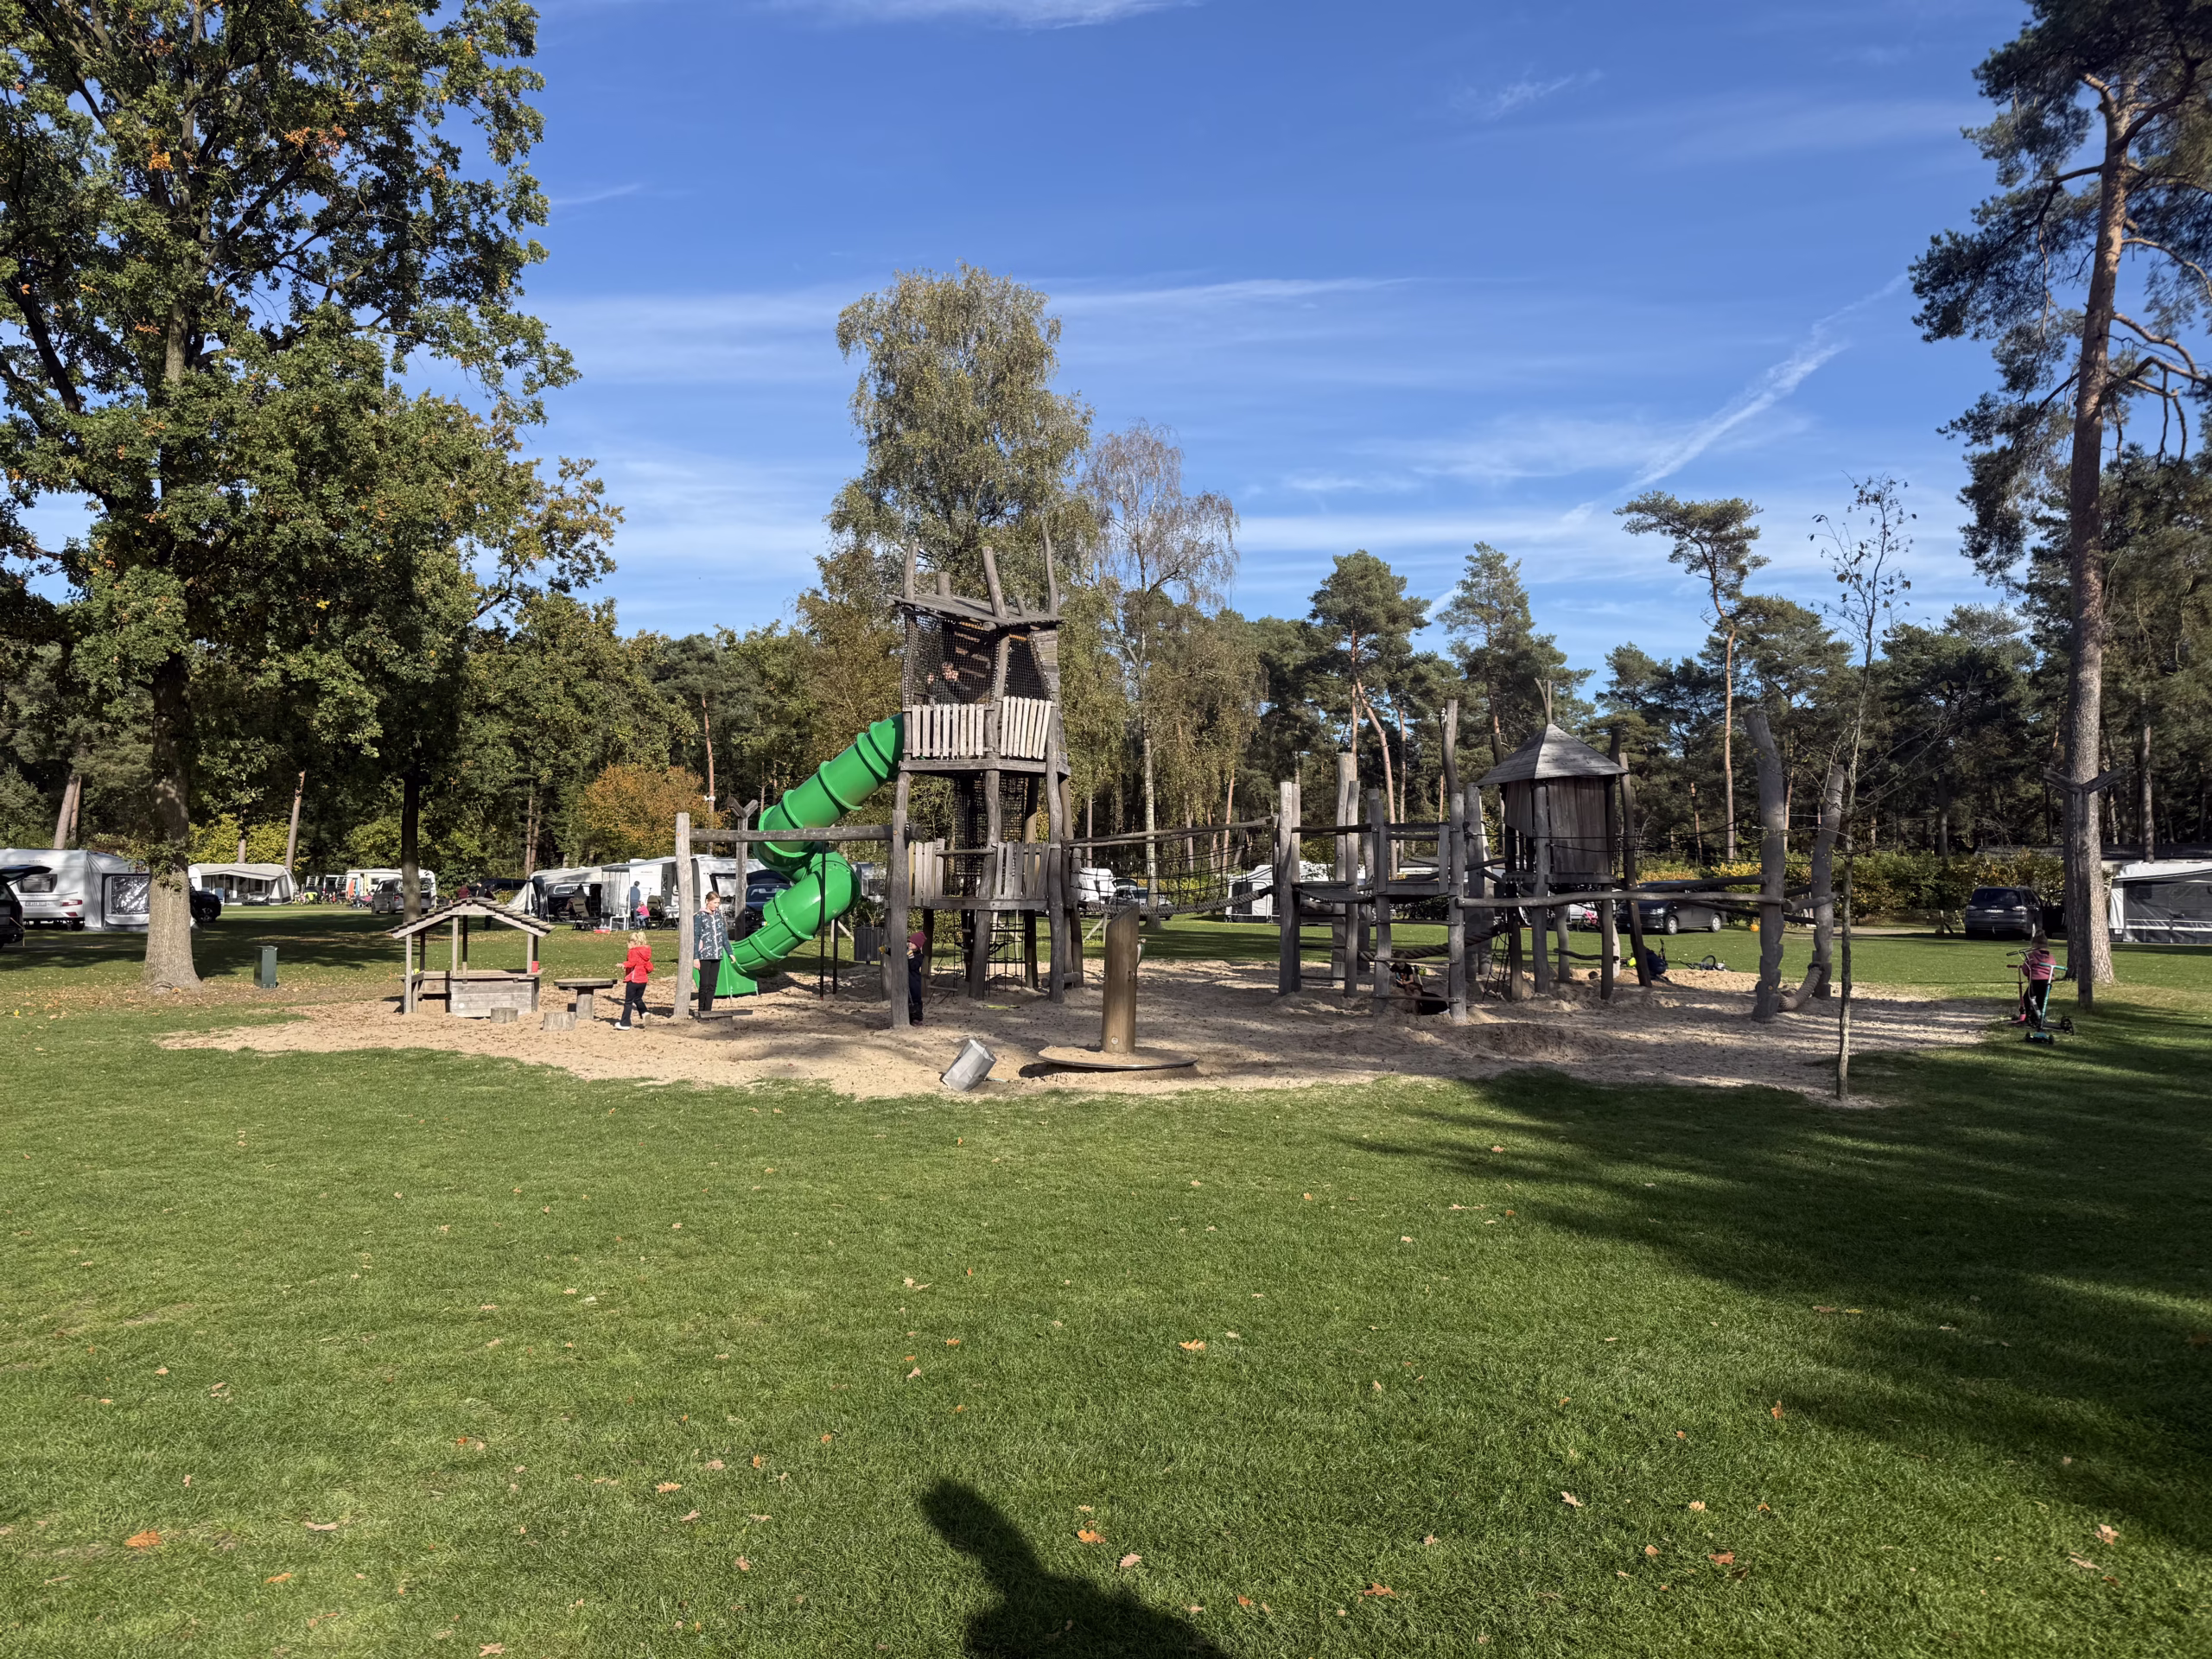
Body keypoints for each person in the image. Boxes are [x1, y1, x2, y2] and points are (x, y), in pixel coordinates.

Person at [694, 889, 729, 1014]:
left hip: (717, 954)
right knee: (704, 984)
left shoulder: (719, 916)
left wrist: (730, 953)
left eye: (718, 903)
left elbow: (724, 935)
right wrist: (695, 957)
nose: (717, 905)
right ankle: (701, 1010)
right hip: (704, 955)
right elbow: (696, 937)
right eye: (715, 902)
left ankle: (708, 1011)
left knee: (712, 985)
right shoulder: (699, 916)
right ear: (707, 902)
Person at [2018, 930, 2057, 1026]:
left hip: (2036, 980)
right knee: (2042, 999)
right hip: (2048, 981)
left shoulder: (2031, 955)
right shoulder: (2050, 957)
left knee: (2027, 998)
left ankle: (2029, 1016)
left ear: (2034, 944)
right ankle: (2040, 1017)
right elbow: (2054, 966)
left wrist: (2028, 975)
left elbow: (2026, 969)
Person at [617, 931, 652, 1029]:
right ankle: (644, 1012)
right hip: (643, 980)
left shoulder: (633, 951)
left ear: (633, 943)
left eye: (628, 943)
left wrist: (624, 964)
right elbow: (649, 967)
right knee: (637, 998)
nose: (627, 945)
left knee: (628, 1002)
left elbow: (632, 962)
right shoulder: (646, 953)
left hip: (634, 979)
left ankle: (625, 1023)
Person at [906, 929, 928, 1026]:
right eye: (909, 941)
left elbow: (914, 966)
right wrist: (887, 950)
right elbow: (896, 953)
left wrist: (910, 955)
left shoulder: (919, 956)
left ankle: (918, 1018)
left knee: (916, 999)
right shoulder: (906, 951)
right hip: (906, 980)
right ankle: (910, 1018)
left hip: (914, 981)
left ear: (918, 946)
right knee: (907, 1000)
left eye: (913, 943)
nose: (910, 944)